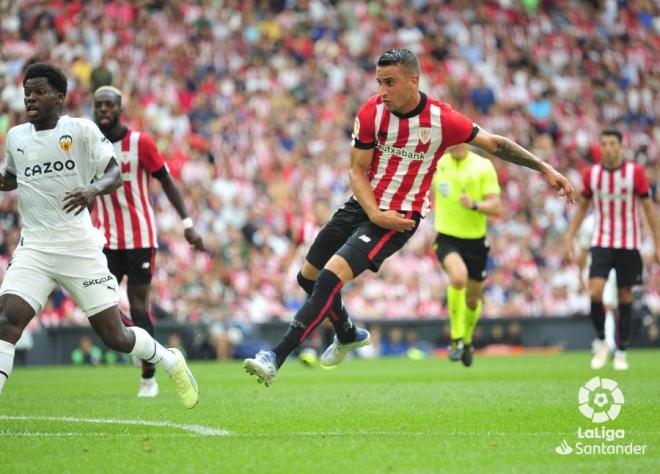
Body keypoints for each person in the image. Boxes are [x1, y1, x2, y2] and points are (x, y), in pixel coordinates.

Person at [243, 48, 575, 386]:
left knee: (329, 279)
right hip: (364, 207)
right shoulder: (372, 112)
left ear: (413, 80)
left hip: (401, 216)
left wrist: (544, 167)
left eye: (390, 82)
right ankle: (346, 333)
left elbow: (494, 143)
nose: (382, 91)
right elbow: (357, 171)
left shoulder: (442, 119)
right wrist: (374, 212)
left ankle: (275, 356)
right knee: (307, 279)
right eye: (379, 82)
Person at [0, 63, 198, 408]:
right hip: (34, 247)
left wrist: (93, 190)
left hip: (79, 247)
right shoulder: (16, 137)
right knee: (7, 320)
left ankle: (169, 361)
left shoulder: (81, 130)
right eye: (27, 92)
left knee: (115, 336)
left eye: (39, 92)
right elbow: (13, 177)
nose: (30, 98)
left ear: (59, 97)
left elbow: (114, 174)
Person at [92, 86, 203, 398]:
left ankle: (148, 376)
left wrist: (187, 224)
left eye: (108, 105)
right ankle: (154, 355)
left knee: (139, 307)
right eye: (97, 105)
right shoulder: (90, 144)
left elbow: (166, 180)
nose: (102, 110)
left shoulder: (140, 143)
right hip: (104, 240)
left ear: (119, 108)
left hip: (140, 238)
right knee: (100, 305)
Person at [564, 128, 660, 371]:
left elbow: (649, 209)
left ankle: (622, 351)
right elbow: (582, 208)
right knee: (595, 292)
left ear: (620, 146)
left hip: (629, 243)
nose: (608, 148)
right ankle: (601, 340)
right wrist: (570, 238)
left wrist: (658, 243)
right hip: (602, 241)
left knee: (625, 296)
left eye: (612, 144)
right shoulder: (592, 174)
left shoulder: (634, 173)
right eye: (604, 143)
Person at [432, 143, 502, 367]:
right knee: (458, 278)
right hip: (446, 237)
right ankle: (456, 338)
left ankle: (468, 340)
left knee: (472, 300)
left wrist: (474, 204)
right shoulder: (438, 164)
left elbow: (496, 206)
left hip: (475, 241)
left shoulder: (482, 166)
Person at [576, 213, 618, 354]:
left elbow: (582, 251)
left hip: (609, 266)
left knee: (607, 305)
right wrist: (581, 272)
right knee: (604, 305)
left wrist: (580, 272)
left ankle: (607, 342)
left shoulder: (590, 221)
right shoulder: (591, 222)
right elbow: (583, 250)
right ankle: (607, 342)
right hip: (598, 266)